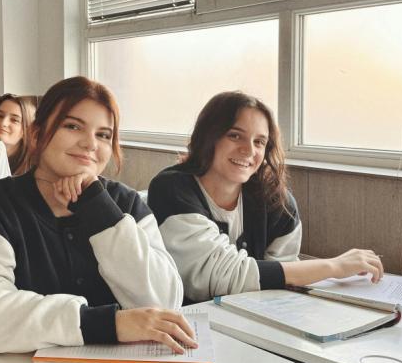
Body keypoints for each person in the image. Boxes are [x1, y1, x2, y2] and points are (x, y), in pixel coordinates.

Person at [0, 76, 195, 354]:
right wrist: (104, 324)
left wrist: (101, 213)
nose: (90, 144)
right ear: (38, 135)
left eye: (104, 135)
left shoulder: (126, 205)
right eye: (73, 126)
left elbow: (165, 304)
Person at [148, 91, 384, 303]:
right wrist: (333, 266)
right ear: (208, 136)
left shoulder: (278, 202)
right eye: (235, 136)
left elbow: (281, 284)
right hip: (188, 327)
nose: (249, 151)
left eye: (259, 141)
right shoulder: (171, 189)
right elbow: (215, 279)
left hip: (252, 323)